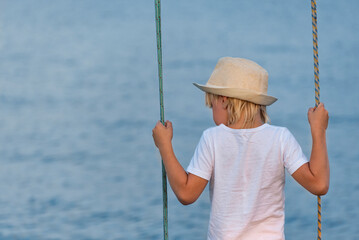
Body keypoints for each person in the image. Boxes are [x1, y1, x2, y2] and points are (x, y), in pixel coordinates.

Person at [152, 57, 329, 240]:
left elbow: (186, 193)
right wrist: (318, 130)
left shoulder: (212, 138)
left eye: (211, 105)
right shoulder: (280, 138)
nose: (212, 110)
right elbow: (319, 184)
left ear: (224, 100)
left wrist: (165, 146)